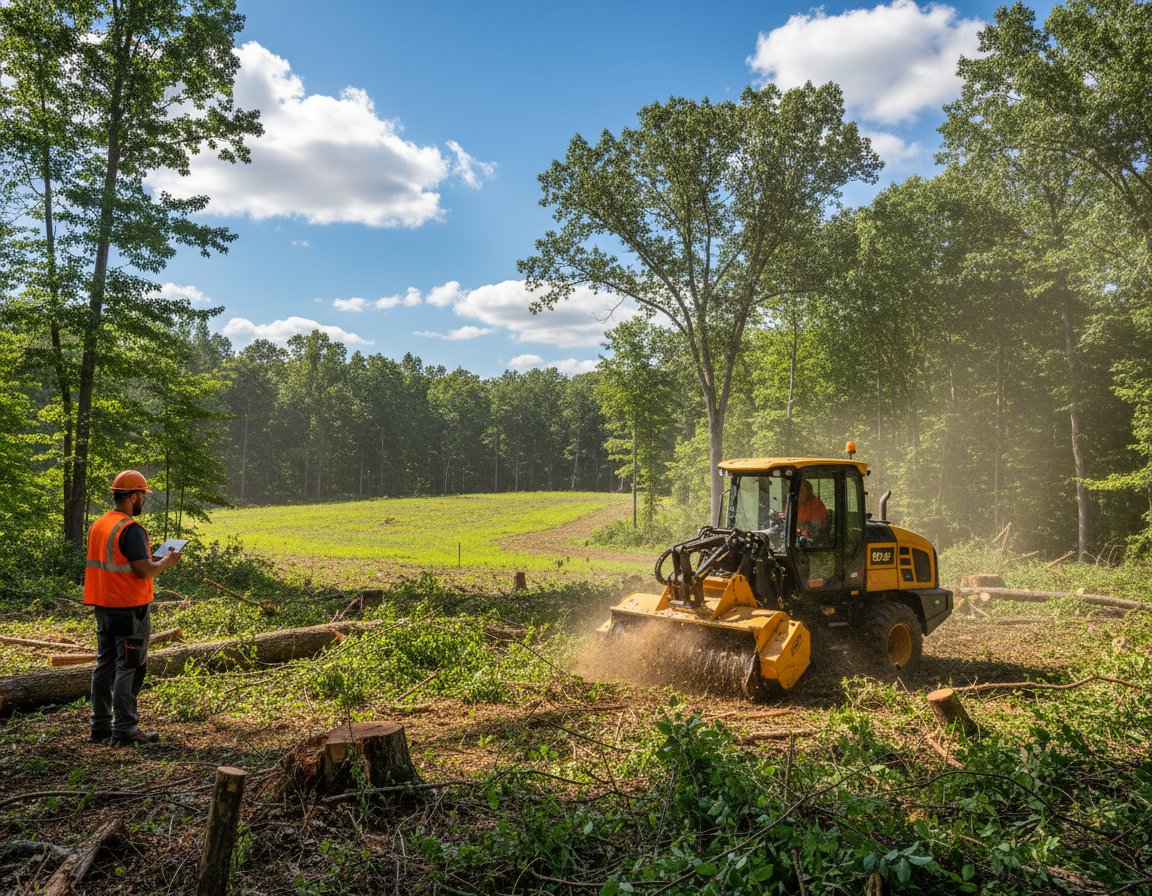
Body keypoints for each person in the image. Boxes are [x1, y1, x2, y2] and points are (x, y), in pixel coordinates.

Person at [84, 470, 181, 746]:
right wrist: (165, 562)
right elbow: (142, 571)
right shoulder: (131, 529)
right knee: (128, 666)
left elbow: (120, 560)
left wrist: (152, 558)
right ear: (134, 496)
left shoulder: (99, 524)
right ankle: (125, 729)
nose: (144, 502)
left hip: (103, 605)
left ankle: (100, 727)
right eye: (143, 496)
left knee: (104, 664)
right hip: (128, 609)